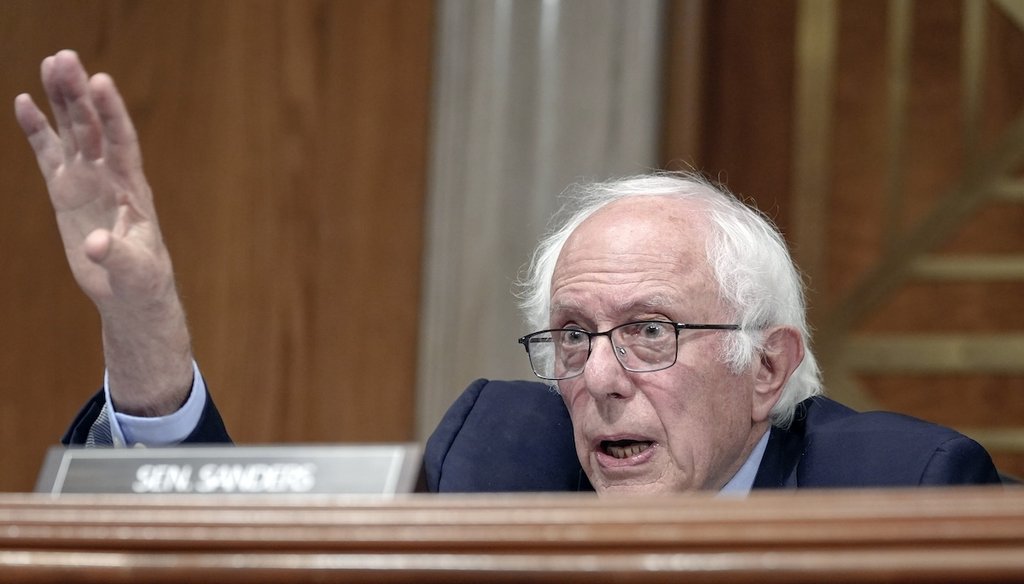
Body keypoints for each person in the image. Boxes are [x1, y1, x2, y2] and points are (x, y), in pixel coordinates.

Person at [16, 50, 1002, 494]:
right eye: (572, 336)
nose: (600, 378)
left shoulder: (903, 483)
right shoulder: (499, 453)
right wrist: (144, 318)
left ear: (766, 365)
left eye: (651, 331)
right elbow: (229, 564)